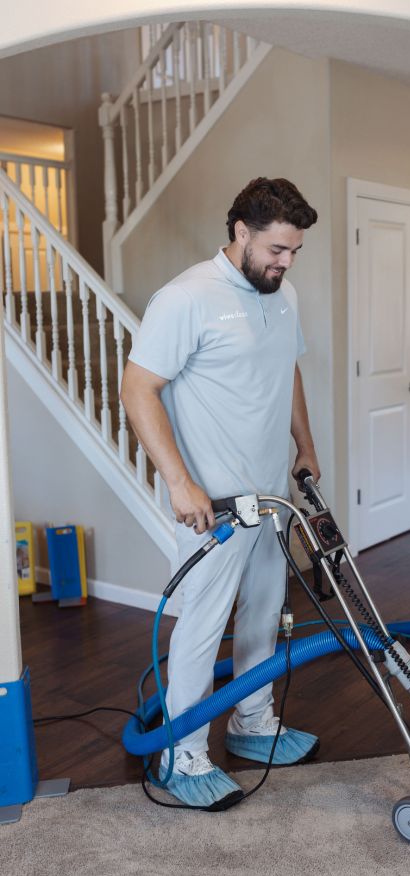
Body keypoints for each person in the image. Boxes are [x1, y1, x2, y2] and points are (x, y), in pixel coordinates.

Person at [120, 177, 321, 809]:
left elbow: (286, 365)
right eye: (277, 249)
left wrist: (304, 445)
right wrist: (180, 482)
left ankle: (253, 723)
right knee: (203, 625)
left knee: (264, 609)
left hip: (269, 496)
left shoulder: (282, 294)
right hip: (212, 504)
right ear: (241, 232)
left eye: (293, 251)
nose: (285, 262)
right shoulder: (185, 298)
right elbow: (137, 389)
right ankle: (184, 754)